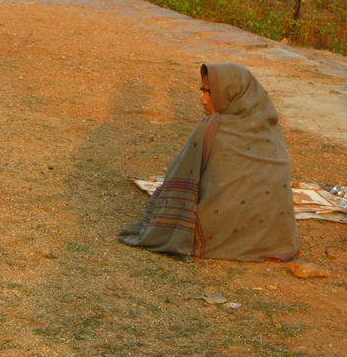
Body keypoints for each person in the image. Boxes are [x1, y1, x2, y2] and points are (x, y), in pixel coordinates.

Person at [119, 63, 299, 261]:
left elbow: (179, 181)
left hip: (214, 237)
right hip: (275, 238)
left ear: (231, 94)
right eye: (202, 91)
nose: (203, 100)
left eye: (210, 93)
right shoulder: (271, 129)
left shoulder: (211, 127)